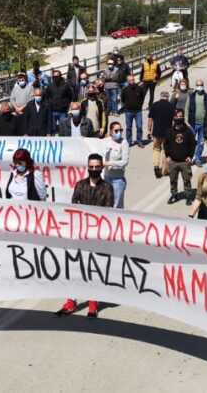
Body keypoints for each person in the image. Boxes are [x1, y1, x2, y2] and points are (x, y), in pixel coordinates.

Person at [57, 153, 113, 319]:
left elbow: (108, 211)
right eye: (91, 167)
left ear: (102, 168)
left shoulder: (107, 188)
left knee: (92, 269)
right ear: (87, 167)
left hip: (97, 235)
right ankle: (71, 300)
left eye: (97, 167)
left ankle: (93, 302)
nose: (94, 170)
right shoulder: (80, 185)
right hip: (79, 233)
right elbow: (74, 206)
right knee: (74, 268)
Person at [164, 109, 197, 205]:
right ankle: (174, 195)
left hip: (184, 161)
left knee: (187, 180)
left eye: (181, 116)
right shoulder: (169, 131)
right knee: (173, 180)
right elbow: (166, 144)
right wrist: (167, 156)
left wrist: (190, 156)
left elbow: (193, 144)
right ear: (174, 118)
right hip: (173, 161)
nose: (179, 118)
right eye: (177, 116)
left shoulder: (188, 131)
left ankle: (188, 196)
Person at [148, 90, 176, 178]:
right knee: (165, 151)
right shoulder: (171, 106)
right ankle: (164, 170)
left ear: (160, 96)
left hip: (156, 132)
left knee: (156, 149)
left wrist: (149, 130)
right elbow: (174, 121)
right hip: (167, 133)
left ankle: (156, 167)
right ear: (167, 97)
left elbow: (150, 119)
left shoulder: (155, 105)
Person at [184, 79, 207, 165]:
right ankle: (189, 158)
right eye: (198, 85)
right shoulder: (191, 96)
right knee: (190, 142)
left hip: (204, 124)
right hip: (193, 123)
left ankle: (198, 158)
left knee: (201, 142)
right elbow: (187, 109)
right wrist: (186, 120)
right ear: (196, 86)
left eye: (201, 85)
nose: (199, 87)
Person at [102, 121, 129, 207]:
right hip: (106, 179)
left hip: (118, 180)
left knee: (116, 205)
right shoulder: (105, 142)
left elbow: (125, 162)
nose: (119, 133)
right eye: (116, 131)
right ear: (110, 132)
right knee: (106, 204)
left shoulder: (124, 143)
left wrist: (108, 163)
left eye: (121, 130)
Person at [120, 74, 147, 146]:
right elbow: (122, 99)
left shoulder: (139, 88)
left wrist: (140, 105)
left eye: (133, 80)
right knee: (129, 127)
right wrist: (127, 106)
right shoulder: (125, 90)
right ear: (128, 81)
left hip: (138, 111)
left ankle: (139, 141)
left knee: (139, 126)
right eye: (130, 80)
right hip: (128, 111)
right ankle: (129, 141)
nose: (132, 81)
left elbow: (142, 97)